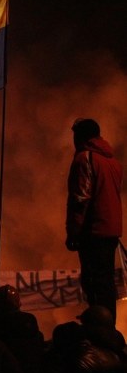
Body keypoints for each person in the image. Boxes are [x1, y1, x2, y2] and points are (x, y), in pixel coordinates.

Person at [66, 118, 123, 321]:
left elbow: (81, 197)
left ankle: (98, 326)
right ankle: (108, 325)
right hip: (110, 230)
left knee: (93, 281)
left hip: (93, 231)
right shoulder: (112, 162)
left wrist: (73, 231)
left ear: (81, 136)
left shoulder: (85, 159)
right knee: (105, 282)